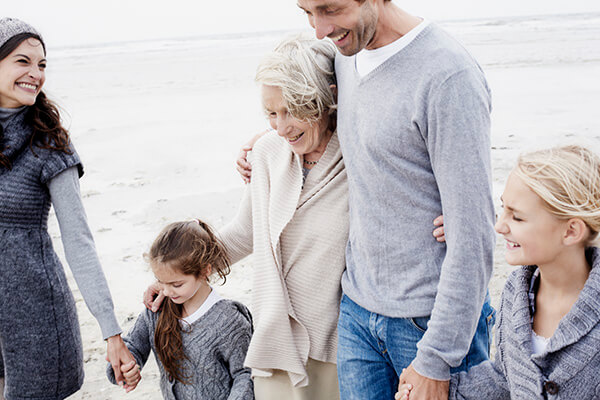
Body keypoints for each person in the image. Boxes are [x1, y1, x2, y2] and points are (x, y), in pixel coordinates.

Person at [236, 1, 497, 399]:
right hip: (357, 314)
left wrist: (437, 357)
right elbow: (303, 89)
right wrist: (269, 140)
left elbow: (474, 237)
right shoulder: (345, 57)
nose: (319, 29)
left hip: (427, 320)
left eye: (330, 9)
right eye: (307, 13)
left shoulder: (448, 75)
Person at [147, 34, 346, 399]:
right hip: (275, 338)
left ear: (321, 100)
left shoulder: (355, 154)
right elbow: (242, 234)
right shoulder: (269, 151)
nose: (281, 126)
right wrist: (174, 275)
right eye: (271, 113)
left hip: (335, 342)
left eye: (291, 110)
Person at [397, 145, 600, 400]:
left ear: (571, 231)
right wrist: (439, 390)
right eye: (503, 208)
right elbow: (506, 377)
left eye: (517, 218)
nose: (499, 225)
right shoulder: (516, 292)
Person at [0, 17, 134, 400]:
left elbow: (79, 242)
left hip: (36, 317)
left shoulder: (51, 145)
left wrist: (111, 332)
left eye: (42, 64)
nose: (36, 74)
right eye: (22, 61)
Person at [108, 220, 253, 399]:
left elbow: (245, 375)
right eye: (160, 281)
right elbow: (132, 347)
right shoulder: (157, 310)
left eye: (176, 284)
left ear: (205, 271)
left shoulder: (230, 321)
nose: (167, 291)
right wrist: (126, 368)